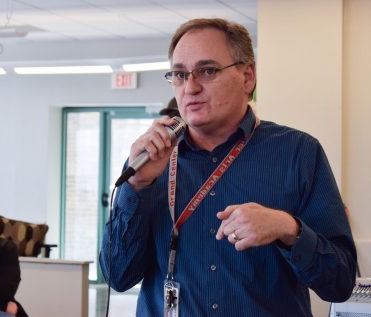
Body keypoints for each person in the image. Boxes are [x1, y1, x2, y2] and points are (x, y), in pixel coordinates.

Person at [99, 18, 356, 317]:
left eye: (207, 71)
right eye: (180, 75)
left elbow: (340, 282)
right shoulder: (149, 160)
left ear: (248, 77)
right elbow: (118, 277)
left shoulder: (298, 153)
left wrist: (289, 230)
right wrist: (137, 187)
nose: (190, 87)